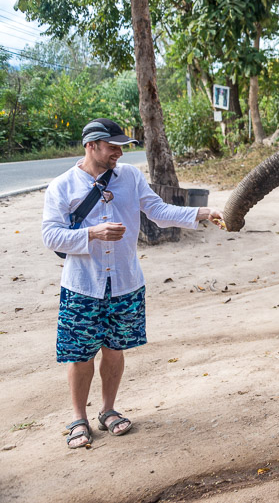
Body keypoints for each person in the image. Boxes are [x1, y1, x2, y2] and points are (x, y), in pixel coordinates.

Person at [41, 118, 224, 449]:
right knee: (81, 355)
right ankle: (78, 418)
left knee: (114, 350)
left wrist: (202, 213)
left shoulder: (130, 177)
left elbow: (157, 211)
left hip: (125, 283)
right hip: (83, 285)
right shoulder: (62, 186)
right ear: (91, 145)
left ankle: (108, 410)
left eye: (121, 148)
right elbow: (50, 234)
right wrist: (91, 234)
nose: (118, 154)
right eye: (112, 147)